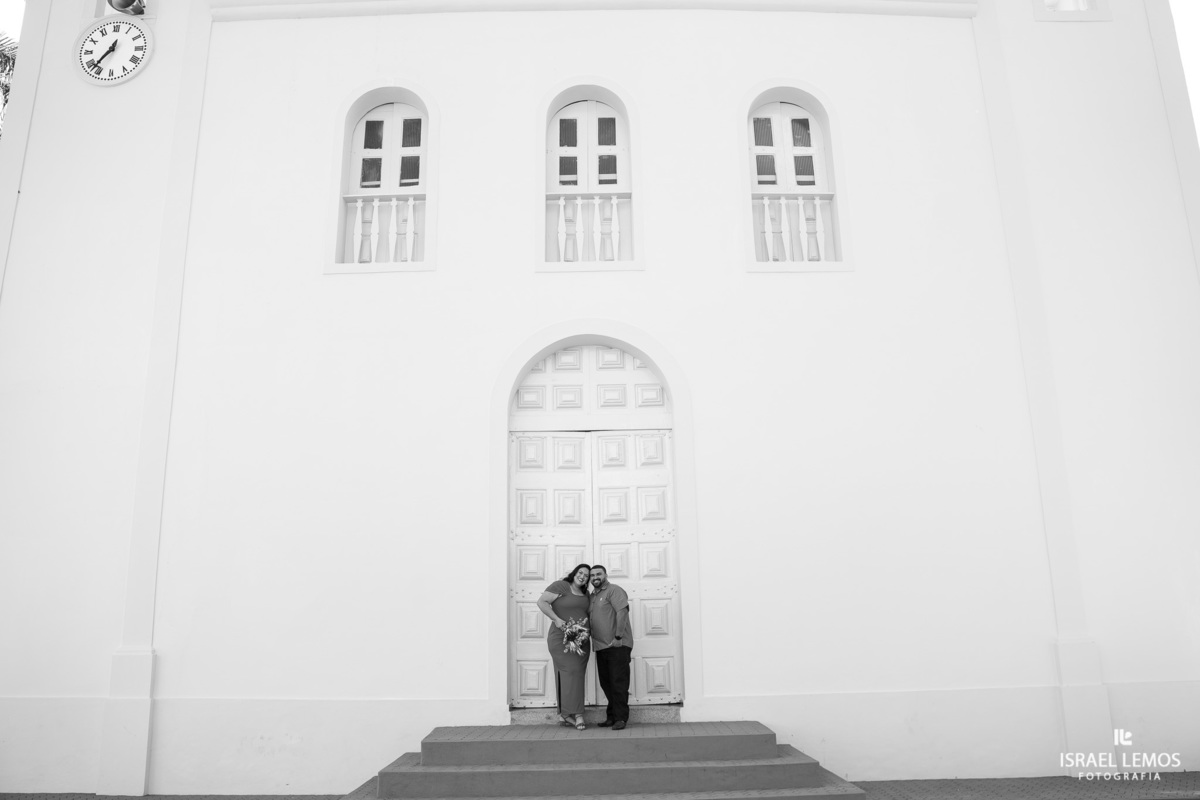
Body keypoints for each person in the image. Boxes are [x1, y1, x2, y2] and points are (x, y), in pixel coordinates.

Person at [536, 563, 592, 730]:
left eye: (586, 576)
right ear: (574, 573)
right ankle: (577, 714)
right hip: (561, 638)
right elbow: (542, 602)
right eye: (580, 573)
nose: (583, 576)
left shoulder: (586, 594)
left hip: (581, 641)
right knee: (569, 672)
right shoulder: (561, 586)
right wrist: (556, 619)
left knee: (577, 674)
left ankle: (565, 714)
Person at [588, 565, 633, 730]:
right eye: (592, 575)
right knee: (607, 684)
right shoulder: (593, 596)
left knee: (618, 683)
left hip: (617, 645)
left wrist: (618, 637)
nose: (595, 577)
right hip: (601, 647)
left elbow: (623, 612)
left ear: (605, 575)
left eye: (598, 574)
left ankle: (621, 718)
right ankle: (612, 717)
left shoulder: (614, 590)